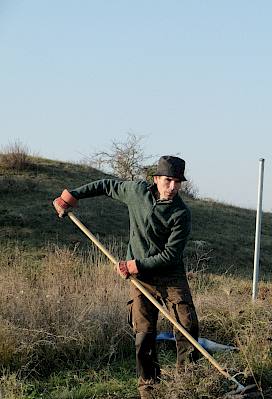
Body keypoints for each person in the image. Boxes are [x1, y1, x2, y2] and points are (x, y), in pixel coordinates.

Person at [53, 156, 198, 399]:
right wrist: (71, 196)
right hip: (141, 279)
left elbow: (171, 255)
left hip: (170, 276)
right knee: (143, 334)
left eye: (177, 182)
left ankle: (188, 383)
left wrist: (134, 264)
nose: (173, 187)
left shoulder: (181, 213)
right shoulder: (136, 192)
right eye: (168, 181)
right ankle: (148, 388)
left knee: (188, 327)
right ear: (156, 180)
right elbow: (105, 185)